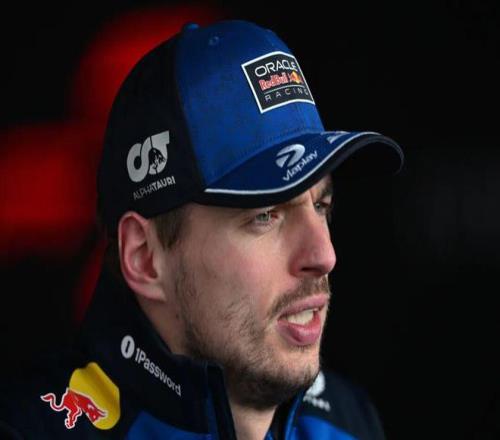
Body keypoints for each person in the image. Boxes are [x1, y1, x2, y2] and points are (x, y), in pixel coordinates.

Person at [0, 19, 404, 439]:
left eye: (321, 205)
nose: (324, 255)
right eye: (265, 215)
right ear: (145, 258)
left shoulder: (347, 421)